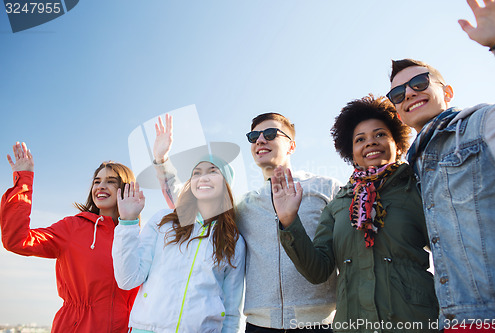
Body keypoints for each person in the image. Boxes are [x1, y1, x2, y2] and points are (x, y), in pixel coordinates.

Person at [154, 113, 341, 332]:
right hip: (259, 325)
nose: (260, 140)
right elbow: (190, 200)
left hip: (319, 323)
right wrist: (161, 161)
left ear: (291, 146)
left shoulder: (326, 188)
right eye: (254, 136)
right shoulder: (245, 205)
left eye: (270, 134)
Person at [273, 95, 439, 332]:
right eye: (360, 139)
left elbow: (450, 254)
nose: (370, 142)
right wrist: (289, 221)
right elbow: (318, 271)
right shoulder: (337, 205)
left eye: (380, 134)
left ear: (398, 144)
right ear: (351, 153)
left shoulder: (419, 188)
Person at [386, 1, 495, 329]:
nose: (408, 92)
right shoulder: (415, 167)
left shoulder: (480, 124)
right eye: (397, 93)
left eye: (420, 83)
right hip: (452, 320)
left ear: (447, 91)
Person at [112, 120, 245, 333]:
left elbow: (230, 310)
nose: (203, 178)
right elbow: (128, 279)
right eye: (196, 173)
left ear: (226, 184)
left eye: (212, 171)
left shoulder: (233, 241)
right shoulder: (163, 221)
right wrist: (127, 223)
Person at [0, 142, 139, 333]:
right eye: (97, 181)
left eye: (110, 181)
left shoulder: (137, 237)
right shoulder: (73, 227)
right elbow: (17, 240)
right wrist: (23, 180)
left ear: (126, 187)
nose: (101, 186)